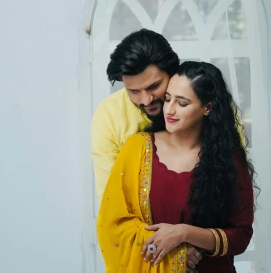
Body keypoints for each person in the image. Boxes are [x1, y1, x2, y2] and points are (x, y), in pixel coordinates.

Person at [91, 29, 246, 272]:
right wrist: (175, 249)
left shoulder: (218, 113)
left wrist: (191, 237)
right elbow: (113, 210)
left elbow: (229, 197)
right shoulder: (110, 117)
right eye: (133, 91)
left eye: (154, 86)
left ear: (172, 72)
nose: (146, 99)